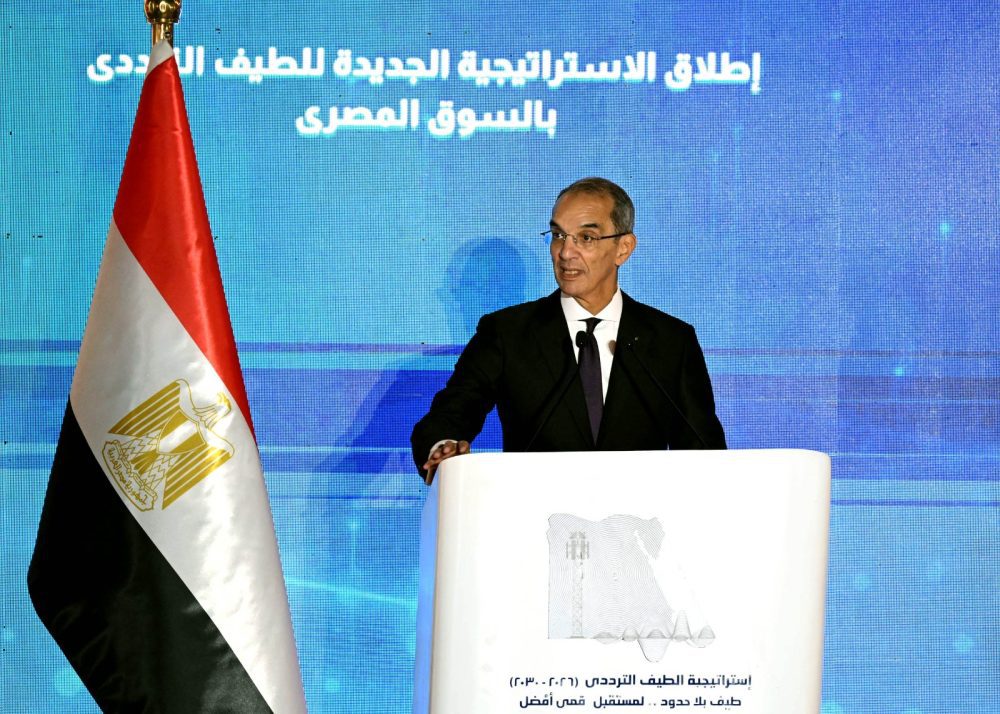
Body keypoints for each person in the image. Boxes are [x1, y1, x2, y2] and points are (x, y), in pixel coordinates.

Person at [411, 177, 726, 483]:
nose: (565, 252)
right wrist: (443, 447)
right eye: (558, 235)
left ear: (623, 248)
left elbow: (705, 452)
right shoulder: (506, 333)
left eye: (585, 238)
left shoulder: (672, 341)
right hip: (535, 513)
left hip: (639, 517)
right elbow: (448, 417)